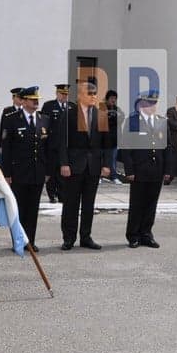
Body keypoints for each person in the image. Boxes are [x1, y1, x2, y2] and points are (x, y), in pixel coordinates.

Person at [57, 80, 110, 250]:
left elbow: (105, 143)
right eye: (90, 94)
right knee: (71, 204)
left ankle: (86, 237)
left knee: (89, 204)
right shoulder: (69, 113)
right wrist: (64, 163)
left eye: (95, 94)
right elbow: (62, 142)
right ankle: (69, 238)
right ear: (81, 95)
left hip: (93, 166)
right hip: (74, 166)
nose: (94, 97)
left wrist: (106, 164)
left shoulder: (101, 113)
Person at [0, 86, 50, 251]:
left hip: (37, 172)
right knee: (19, 208)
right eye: (32, 99)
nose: (36, 102)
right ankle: (18, 241)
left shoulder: (44, 119)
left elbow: (47, 148)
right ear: (24, 101)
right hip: (19, 172)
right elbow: (6, 149)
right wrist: (6, 173)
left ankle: (30, 241)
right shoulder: (12, 119)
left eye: (37, 99)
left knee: (33, 208)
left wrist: (48, 171)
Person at [120, 91, 172, 248]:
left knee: (151, 204)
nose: (153, 106)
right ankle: (133, 235)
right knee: (137, 204)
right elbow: (126, 147)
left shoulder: (162, 121)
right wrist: (129, 171)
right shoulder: (133, 121)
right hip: (139, 170)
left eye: (155, 103)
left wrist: (168, 170)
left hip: (156, 170)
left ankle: (146, 234)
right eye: (150, 103)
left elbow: (168, 147)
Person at [41, 84, 73, 204]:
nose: (64, 96)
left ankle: (63, 194)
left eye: (66, 94)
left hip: (66, 146)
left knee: (64, 172)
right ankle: (52, 194)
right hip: (52, 145)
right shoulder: (49, 106)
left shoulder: (71, 106)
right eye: (62, 94)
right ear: (57, 94)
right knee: (52, 171)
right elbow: (44, 125)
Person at [103, 90, 124, 184]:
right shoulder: (101, 108)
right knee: (103, 158)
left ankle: (114, 176)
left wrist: (112, 117)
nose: (113, 100)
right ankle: (101, 176)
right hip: (103, 139)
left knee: (113, 158)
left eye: (115, 98)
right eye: (111, 98)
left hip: (114, 139)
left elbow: (121, 118)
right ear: (107, 99)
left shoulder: (117, 109)